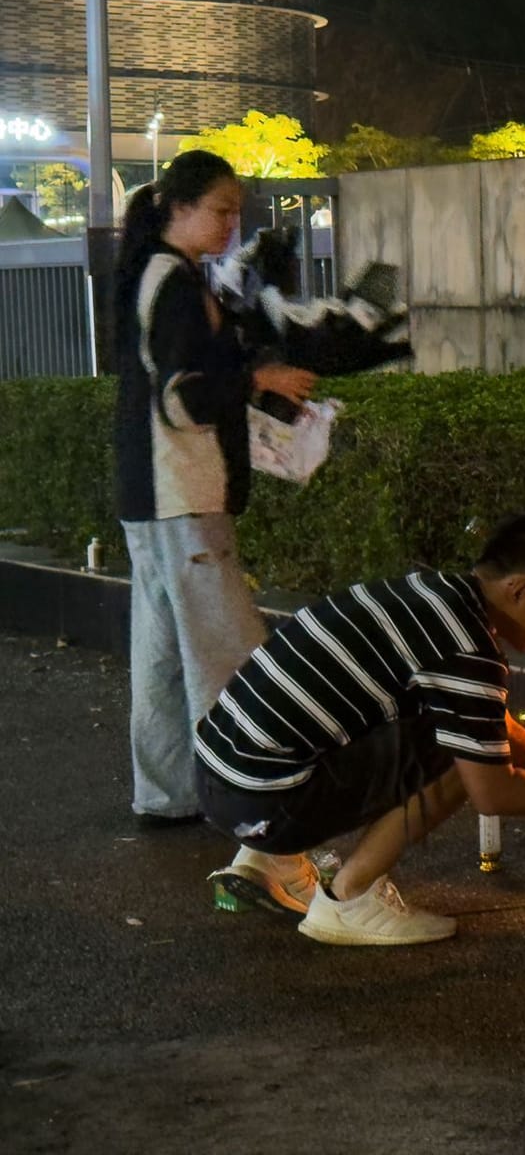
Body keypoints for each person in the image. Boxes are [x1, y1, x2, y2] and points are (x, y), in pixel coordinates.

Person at [194, 512, 525, 946]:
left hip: (222, 777)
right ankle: (350, 898)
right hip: (265, 798)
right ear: (519, 588)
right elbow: (493, 792)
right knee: (456, 752)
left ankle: (267, 858)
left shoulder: (431, 595)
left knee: (460, 732)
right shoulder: (466, 646)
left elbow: (495, 724)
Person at [113, 149, 317, 823]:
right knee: (228, 653)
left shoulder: (159, 273)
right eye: (222, 209)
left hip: (153, 496)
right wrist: (259, 380)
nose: (234, 223)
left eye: (237, 210)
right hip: (184, 494)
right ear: (179, 207)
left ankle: (166, 796)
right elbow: (183, 398)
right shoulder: (174, 283)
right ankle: (253, 804)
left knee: (165, 655)